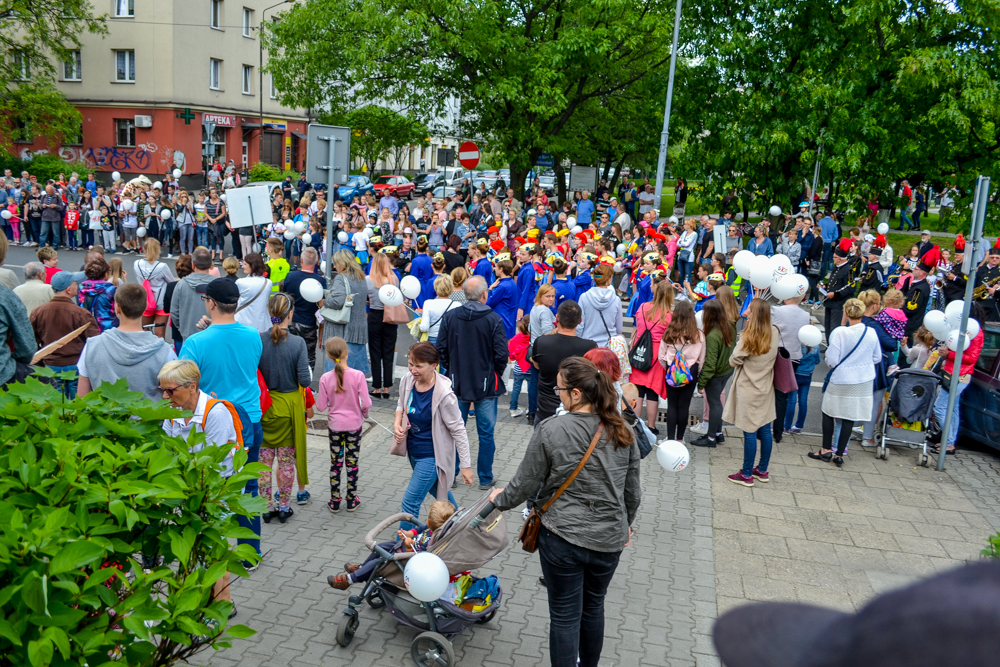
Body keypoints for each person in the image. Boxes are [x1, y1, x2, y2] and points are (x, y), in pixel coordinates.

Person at [488, 356, 640, 667]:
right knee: (594, 607)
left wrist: (494, 504)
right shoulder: (623, 430)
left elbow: (523, 486)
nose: (556, 393)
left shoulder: (551, 429)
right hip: (608, 540)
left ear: (576, 393)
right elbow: (633, 493)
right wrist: (626, 525)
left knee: (564, 615)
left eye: (559, 389)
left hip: (561, 537)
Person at [180, 277, 264, 559]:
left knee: (209, 484)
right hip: (249, 419)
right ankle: (250, 552)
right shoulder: (254, 335)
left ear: (211, 303)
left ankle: (210, 549)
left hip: (214, 420)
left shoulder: (194, 343)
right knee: (248, 486)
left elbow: (184, 386)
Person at [157, 358, 241, 619]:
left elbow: (211, 465)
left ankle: (223, 599)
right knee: (194, 545)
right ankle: (200, 597)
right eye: (162, 389)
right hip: (187, 489)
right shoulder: (173, 411)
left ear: (192, 386)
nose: (165, 395)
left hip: (216, 489)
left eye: (171, 390)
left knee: (215, 544)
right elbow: (168, 453)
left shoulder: (214, 413)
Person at [435, 276, 508, 489]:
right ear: (484, 294)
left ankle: (453, 474)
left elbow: (440, 349)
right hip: (486, 385)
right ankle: (485, 477)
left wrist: (450, 371)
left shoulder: (450, 317)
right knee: (486, 433)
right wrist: (494, 372)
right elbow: (501, 354)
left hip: (456, 383)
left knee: (455, 429)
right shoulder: (493, 319)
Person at [392, 342, 474, 529]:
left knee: (410, 501)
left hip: (432, 457)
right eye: (411, 363)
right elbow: (400, 405)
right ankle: (461, 527)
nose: (413, 369)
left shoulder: (445, 394)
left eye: (419, 366)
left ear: (433, 365)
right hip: (413, 452)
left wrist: (466, 466)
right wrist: (397, 424)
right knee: (442, 496)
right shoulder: (408, 380)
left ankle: (403, 548)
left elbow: (459, 430)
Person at [257, 293, 312, 522]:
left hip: (265, 406)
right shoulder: (298, 343)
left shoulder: (259, 339)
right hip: (289, 408)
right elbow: (305, 380)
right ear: (290, 314)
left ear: (271, 313)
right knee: (287, 461)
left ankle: (266, 507)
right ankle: (284, 506)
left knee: (264, 462)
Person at [808, 299, 881, 467]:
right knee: (850, 416)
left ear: (846, 313)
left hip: (842, 378)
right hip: (863, 380)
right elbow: (877, 357)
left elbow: (832, 360)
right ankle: (839, 454)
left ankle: (826, 449)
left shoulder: (842, 333)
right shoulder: (871, 332)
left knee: (828, 411)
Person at [76, 283, 176, 401]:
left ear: (117, 308)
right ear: (145, 307)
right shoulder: (165, 352)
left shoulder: (92, 346)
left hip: (104, 418)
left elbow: (82, 397)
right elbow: (174, 397)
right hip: (149, 418)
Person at [328, 501, 456, 590]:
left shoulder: (434, 541)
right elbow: (420, 529)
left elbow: (419, 557)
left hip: (406, 559)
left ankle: (349, 580)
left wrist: (409, 547)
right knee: (382, 546)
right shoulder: (434, 528)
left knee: (378, 562)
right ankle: (362, 568)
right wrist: (408, 533)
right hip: (401, 548)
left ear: (429, 521)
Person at [723, 299, 780, 487]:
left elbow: (733, 360)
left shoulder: (749, 336)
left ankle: (746, 474)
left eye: (749, 309)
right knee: (764, 429)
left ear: (755, 313)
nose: (746, 310)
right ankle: (762, 470)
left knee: (749, 431)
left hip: (748, 388)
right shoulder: (775, 331)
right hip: (765, 387)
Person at [317, 337, 372, 513]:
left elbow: (320, 406)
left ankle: (334, 500)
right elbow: (366, 403)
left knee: (336, 462)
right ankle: (351, 498)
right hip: (354, 426)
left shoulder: (325, 378)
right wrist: (364, 414)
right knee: (352, 461)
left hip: (335, 426)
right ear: (346, 353)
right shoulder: (358, 375)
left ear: (329, 356)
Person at [29, 271, 100, 397]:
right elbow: (95, 342)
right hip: (76, 364)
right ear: (68, 289)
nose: (77, 285)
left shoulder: (38, 312)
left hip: (50, 365)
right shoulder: (81, 313)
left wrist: (41, 361)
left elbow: (30, 341)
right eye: (75, 283)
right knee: (77, 404)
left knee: (54, 404)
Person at [530, 299, 598, 423]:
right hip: (576, 411)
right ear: (580, 321)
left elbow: (537, 365)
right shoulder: (590, 347)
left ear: (557, 318)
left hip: (546, 410)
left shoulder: (541, 342)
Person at [930, 306, 985, 456]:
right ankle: (949, 442)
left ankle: (948, 442)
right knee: (952, 410)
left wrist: (949, 353)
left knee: (940, 407)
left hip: (959, 375)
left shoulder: (974, 333)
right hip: (954, 373)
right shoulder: (970, 331)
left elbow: (970, 358)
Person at [629, 280, 674, 434]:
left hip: (640, 350)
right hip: (657, 355)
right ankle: (651, 426)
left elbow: (637, 327)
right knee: (653, 392)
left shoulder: (642, 307)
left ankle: (636, 425)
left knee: (638, 390)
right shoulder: (669, 315)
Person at [657, 301, 705, 441]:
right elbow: (701, 359)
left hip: (671, 370)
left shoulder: (669, 333)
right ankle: (680, 438)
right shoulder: (699, 335)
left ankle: (670, 438)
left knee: (672, 405)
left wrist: (669, 367)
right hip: (690, 372)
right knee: (684, 406)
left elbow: (661, 356)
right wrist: (694, 372)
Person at [691, 300, 736, 447]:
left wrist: (701, 383)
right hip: (727, 369)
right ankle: (718, 433)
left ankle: (710, 438)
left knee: (715, 403)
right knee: (717, 402)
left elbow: (710, 363)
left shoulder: (712, 336)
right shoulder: (729, 324)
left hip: (716, 374)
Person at [770, 295, 810, 442]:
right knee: (783, 395)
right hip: (794, 357)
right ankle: (778, 432)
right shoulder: (805, 315)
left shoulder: (776, 310)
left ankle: (763, 429)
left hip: (776, 354)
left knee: (767, 392)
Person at [281, 247, 326, 370]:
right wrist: (321, 334)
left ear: (301, 260)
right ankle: (307, 386)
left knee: (289, 354)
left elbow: (284, 297)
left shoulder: (290, 276)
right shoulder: (320, 281)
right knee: (309, 356)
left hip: (291, 321)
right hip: (309, 323)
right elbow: (322, 306)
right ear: (317, 262)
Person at [366, 252, 401, 400]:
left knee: (375, 353)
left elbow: (366, 298)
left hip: (375, 315)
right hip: (390, 317)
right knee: (388, 352)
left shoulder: (368, 280)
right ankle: (387, 387)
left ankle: (377, 387)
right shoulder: (394, 279)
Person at [169, 247, 215, 344]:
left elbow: (174, 313)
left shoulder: (181, 284)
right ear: (211, 264)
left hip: (188, 337)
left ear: (193, 265)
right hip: (213, 336)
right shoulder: (218, 285)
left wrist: (183, 329)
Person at [133, 239, 175, 339]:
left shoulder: (137, 264)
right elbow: (171, 282)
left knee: (144, 331)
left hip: (145, 300)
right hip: (161, 302)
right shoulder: (162, 267)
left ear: (144, 249)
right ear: (158, 250)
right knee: (159, 334)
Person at [576, 265, 623, 348]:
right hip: (609, 345)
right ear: (609, 279)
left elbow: (580, 325)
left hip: (587, 343)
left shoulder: (584, 297)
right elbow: (619, 329)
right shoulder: (616, 300)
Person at [234, 252, 272, 333]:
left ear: (252, 266)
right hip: (262, 324)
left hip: (242, 323)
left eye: (245, 264)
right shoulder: (268, 283)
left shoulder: (241, 282)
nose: (242, 266)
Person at [419, 274, 459, 345]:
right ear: (451, 288)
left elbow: (424, 327)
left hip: (433, 338)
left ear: (435, 288)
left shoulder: (428, 303)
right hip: (450, 339)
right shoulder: (457, 305)